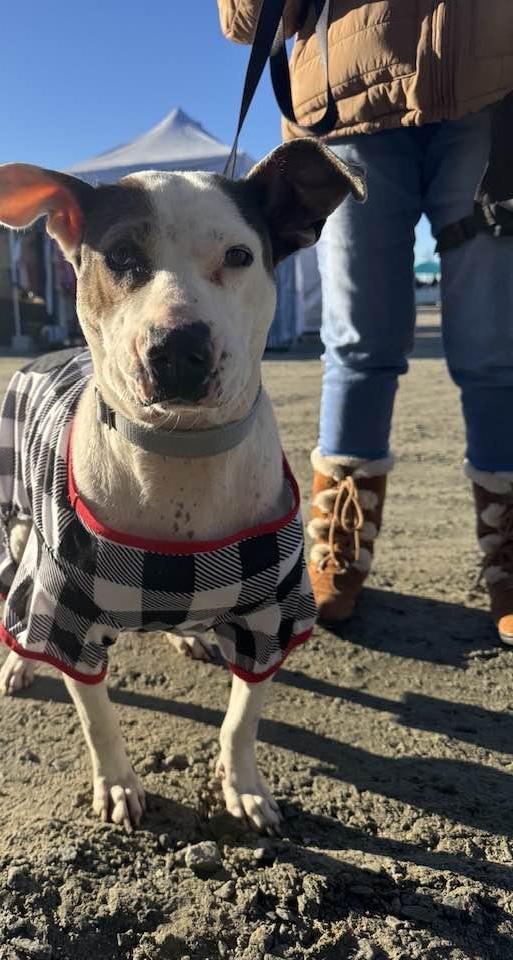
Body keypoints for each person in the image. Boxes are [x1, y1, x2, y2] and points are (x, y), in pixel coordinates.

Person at [218, 1, 513, 643]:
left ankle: (507, 554)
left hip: (493, 83)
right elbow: (243, 19)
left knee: (495, 348)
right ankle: (338, 543)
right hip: (347, 98)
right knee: (357, 342)